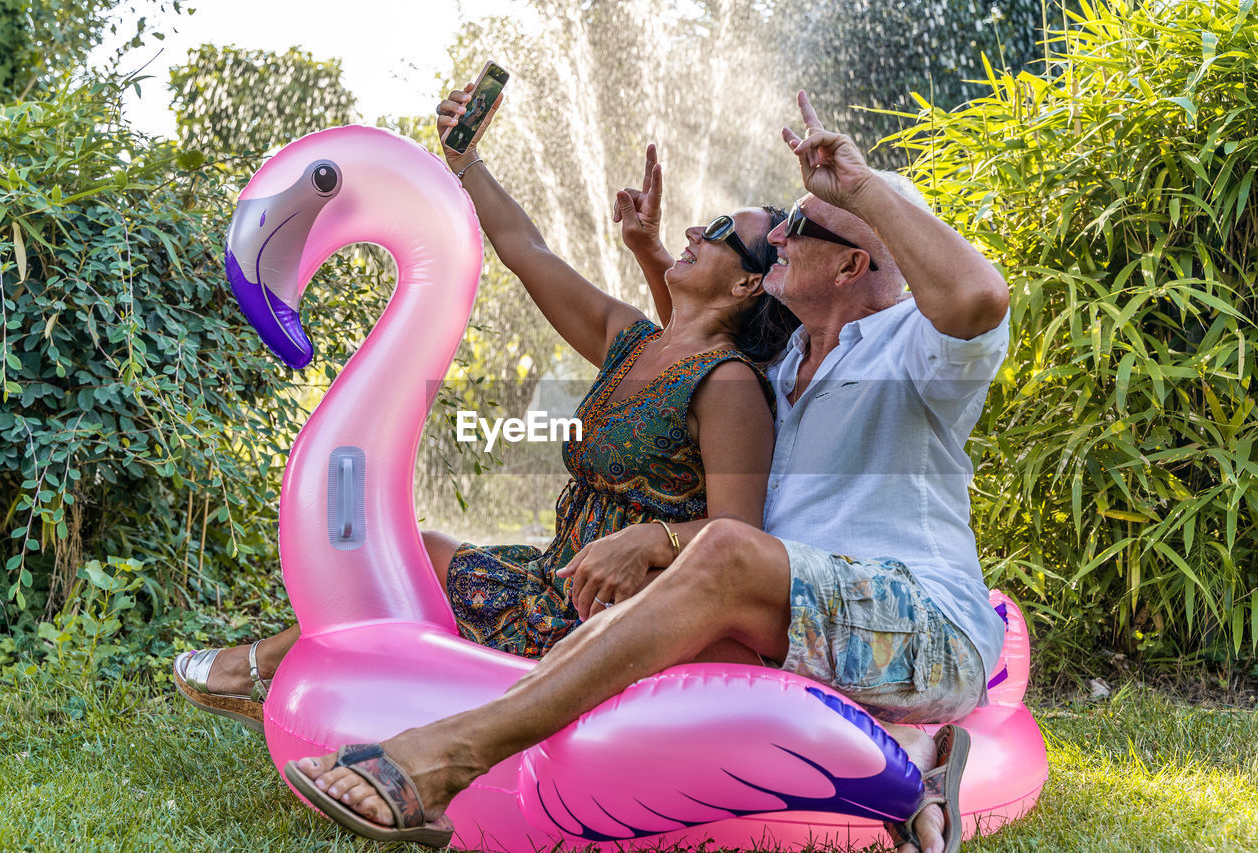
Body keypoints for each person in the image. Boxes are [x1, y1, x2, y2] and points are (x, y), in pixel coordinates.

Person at [287, 90, 1010, 853]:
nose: (783, 237)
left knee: (719, 554)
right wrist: (630, 240)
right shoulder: (783, 357)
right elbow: (692, 329)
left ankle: (441, 758)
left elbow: (977, 298)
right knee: (625, 636)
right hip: (807, 623)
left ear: (854, 263)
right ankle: (920, 761)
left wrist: (863, 189)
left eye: (801, 226)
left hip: (921, 623)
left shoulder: (917, 350)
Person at [172, 82, 799, 725]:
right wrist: (467, 163)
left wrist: (652, 539)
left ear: (750, 280)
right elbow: (528, 254)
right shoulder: (632, 340)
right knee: (416, 551)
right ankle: (286, 672)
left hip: (612, 613)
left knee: (420, 562)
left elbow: (738, 538)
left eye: (722, 230)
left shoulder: (730, 386)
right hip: (555, 575)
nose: (696, 227)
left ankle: (258, 669)